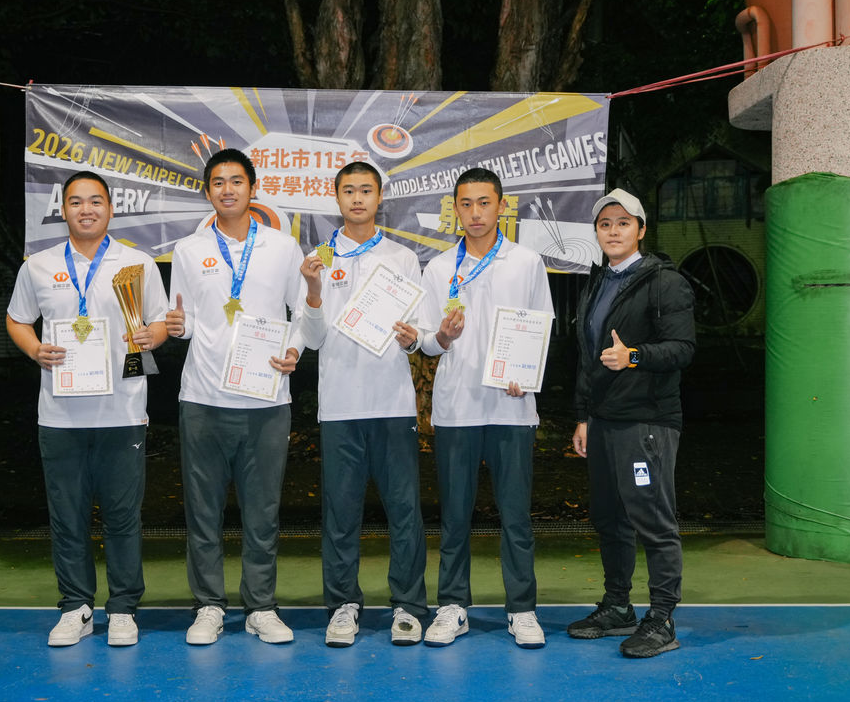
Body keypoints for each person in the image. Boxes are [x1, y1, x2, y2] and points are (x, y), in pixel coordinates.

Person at [6, 170, 169, 648]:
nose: (86, 209)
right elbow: (17, 320)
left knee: (122, 517)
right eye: (76, 202)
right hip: (60, 415)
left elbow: (160, 324)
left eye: (95, 201)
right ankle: (75, 606)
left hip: (123, 412)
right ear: (63, 210)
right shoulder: (38, 265)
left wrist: (152, 336)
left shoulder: (137, 264)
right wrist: (35, 349)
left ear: (110, 209)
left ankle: (122, 608)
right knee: (67, 516)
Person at [165, 148, 306, 646]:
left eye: (236, 181)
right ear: (208, 191)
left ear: (253, 188)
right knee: (203, 512)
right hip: (203, 399)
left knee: (263, 512)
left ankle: (260, 607)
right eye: (218, 182)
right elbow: (183, 320)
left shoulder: (283, 247)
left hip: (266, 400)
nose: (228, 190)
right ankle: (208, 606)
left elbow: (303, 312)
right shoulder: (188, 250)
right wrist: (176, 326)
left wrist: (293, 349)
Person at [416, 167, 552, 649]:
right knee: (455, 516)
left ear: (501, 206)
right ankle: (453, 606)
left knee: (516, 516)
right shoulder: (438, 268)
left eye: (484, 203)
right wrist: (442, 336)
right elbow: (426, 342)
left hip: (512, 409)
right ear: (455, 209)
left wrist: (526, 372)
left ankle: (522, 609)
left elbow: (541, 325)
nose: (475, 213)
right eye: (466, 204)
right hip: (457, 409)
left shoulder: (526, 262)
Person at [297, 161, 428, 648]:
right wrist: (313, 290)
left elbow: (417, 334)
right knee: (340, 512)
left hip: (393, 404)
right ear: (336, 198)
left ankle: (409, 606)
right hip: (340, 406)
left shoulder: (402, 258)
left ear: (379, 198)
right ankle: (342, 605)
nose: (357, 199)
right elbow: (312, 339)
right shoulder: (317, 258)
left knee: (404, 511)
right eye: (349, 191)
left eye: (366, 190)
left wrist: (413, 338)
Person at [568, 187, 695, 658]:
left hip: (647, 421)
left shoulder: (665, 282)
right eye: (605, 224)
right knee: (610, 519)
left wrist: (634, 356)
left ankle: (661, 618)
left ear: (641, 230)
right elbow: (588, 358)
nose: (613, 231)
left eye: (623, 223)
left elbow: (682, 348)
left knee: (653, 520)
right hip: (604, 421)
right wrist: (583, 416)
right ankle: (618, 606)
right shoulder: (599, 281)